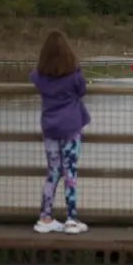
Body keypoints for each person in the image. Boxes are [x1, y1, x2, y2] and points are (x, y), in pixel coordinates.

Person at [30, 30, 90, 235]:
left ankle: (45, 217)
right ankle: (71, 219)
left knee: (53, 172)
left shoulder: (39, 77)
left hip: (50, 128)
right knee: (70, 172)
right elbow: (82, 91)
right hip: (71, 128)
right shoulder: (74, 75)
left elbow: (34, 77)